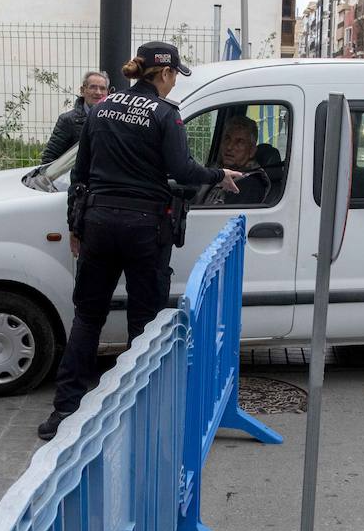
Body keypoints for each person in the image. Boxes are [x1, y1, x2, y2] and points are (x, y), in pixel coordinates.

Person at [38, 42, 241, 441]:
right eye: (172, 77)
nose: (172, 85)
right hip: (145, 229)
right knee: (143, 322)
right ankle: (139, 412)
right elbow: (182, 168)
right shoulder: (166, 115)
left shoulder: (100, 110)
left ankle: (63, 412)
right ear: (163, 74)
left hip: (98, 223)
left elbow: (80, 176)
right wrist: (219, 175)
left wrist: (76, 228)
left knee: (88, 317)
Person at [40, 70, 110, 165]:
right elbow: (49, 158)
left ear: (108, 93)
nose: (98, 92)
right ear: (82, 90)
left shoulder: (113, 121)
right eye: (93, 87)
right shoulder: (68, 120)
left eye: (102, 88)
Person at [202, 114, 271, 206]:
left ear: (252, 151)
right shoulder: (215, 170)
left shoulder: (249, 185)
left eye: (240, 142)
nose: (229, 147)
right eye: (227, 138)